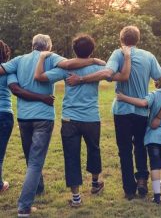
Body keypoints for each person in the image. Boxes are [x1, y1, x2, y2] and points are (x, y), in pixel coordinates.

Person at [67, 26, 161, 200]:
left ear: (121, 39)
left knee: (124, 150)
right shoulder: (149, 57)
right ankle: (141, 179)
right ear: (137, 39)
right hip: (141, 110)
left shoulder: (118, 54)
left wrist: (81, 79)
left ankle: (129, 189)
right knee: (140, 145)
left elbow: (107, 73)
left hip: (122, 110)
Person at [0, 34, 105, 217]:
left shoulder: (18, 60)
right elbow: (70, 65)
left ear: (32, 45)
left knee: (30, 158)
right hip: (44, 116)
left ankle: (39, 188)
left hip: (24, 117)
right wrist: (94, 60)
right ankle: (24, 207)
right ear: (48, 46)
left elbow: (8, 77)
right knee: (35, 161)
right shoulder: (51, 57)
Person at [34, 34, 131, 207]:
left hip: (69, 119)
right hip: (91, 118)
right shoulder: (97, 67)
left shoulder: (66, 68)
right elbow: (119, 75)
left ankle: (76, 198)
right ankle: (95, 184)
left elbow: (40, 77)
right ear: (92, 50)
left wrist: (41, 59)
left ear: (74, 50)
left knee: (71, 156)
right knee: (94, 150)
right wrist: (103, 61)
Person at [0, 40, 55, 195]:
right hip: (4, 113)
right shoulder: (9, 70)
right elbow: (16, 90)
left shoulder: (10, 67)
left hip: (20, 117)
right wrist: (42, 97)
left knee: (30, 153)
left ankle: (37, 186)